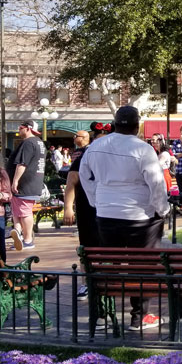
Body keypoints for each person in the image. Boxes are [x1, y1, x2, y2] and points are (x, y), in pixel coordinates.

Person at [79, 106, 169, 331]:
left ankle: (102, 315)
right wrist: (162, 209)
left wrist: (96, 201)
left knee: (109, 265)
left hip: (107, 214)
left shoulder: (96, 146)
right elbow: (156, 183)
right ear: (137, 126)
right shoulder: (143, 149)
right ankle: (139, 317)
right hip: (140, 217)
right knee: (143, 267)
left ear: (115, 123)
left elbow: (84, 175)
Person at [63, 122, 108, 298]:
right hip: (87, 207)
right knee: (88, 246)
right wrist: (68, 208)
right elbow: (71, 181)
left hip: (110, 207)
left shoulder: (117, 157)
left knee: (109, 246)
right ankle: (86, 282)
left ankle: (106, 279)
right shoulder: (84, 156)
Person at [7, 120, 45, 250]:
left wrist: (15, 180)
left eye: (21, 127)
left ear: (28, 128)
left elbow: (22, 163)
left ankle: (28, 239)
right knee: (17, 212)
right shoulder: (39, 142)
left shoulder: (29, 143)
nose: (19, 129)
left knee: (25, 212)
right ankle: (18, 233)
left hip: (25, 184)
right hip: (32, 182)